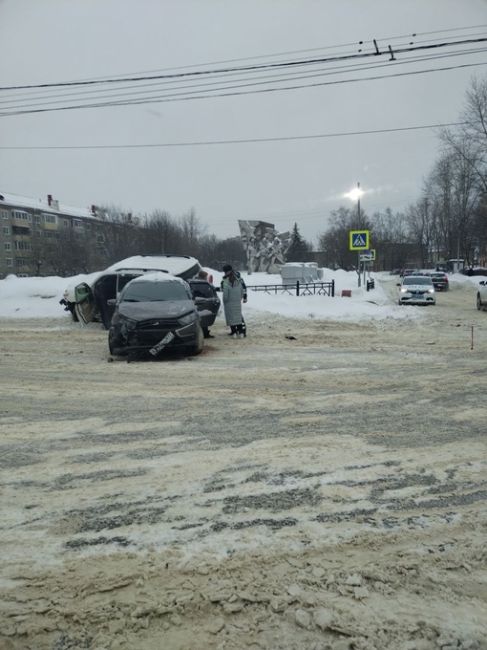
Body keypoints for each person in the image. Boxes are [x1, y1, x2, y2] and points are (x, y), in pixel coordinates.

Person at [221, 264, 247, 338]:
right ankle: (236, 331)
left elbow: (243, 287)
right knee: (235, 316)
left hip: (233, 300)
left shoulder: (237, 277)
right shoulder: (226, 278)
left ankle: (241, 331)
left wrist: (244, 297)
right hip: (235, 299)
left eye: (226, 271)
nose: (225, 273)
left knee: (237, 317)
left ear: (229, 271)